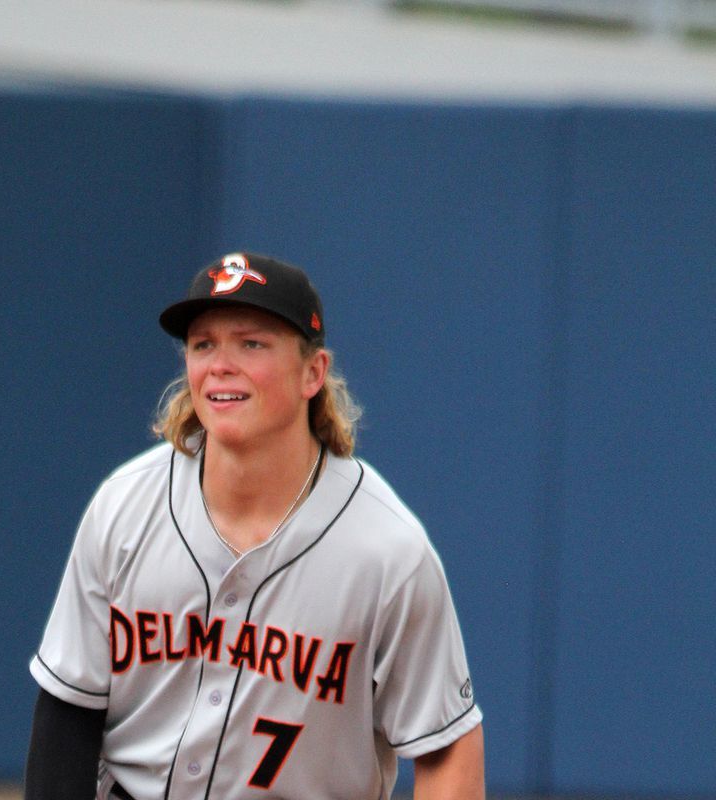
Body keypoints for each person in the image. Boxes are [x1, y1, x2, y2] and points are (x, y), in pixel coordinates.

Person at [25, 252, 484, 799]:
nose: (221, 364)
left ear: (313, 373)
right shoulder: (125, 507)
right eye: (203, 344)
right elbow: (68, 710)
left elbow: (448, 745)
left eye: (252, 343)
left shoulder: (386, 551)